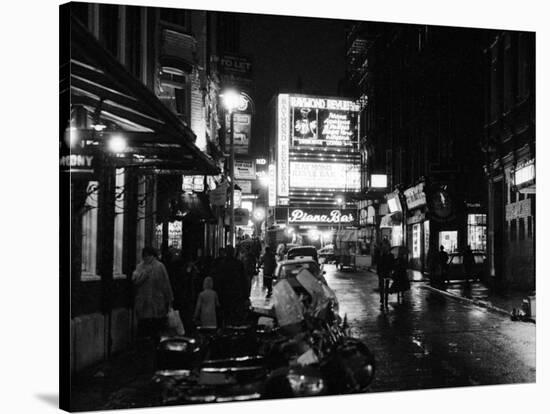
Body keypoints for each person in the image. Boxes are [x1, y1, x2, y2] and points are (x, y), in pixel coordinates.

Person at [132, 246, 174, 344]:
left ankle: (147, 347)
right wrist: (169, 299)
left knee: (145, 328)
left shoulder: (140, 267)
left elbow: (135, 281)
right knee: (155, 328)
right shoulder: (160, 267)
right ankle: (154, 347)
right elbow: (166, 284)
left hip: (145, 304)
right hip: (156, 304)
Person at [377, 240, 393, 309]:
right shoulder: (380, 254)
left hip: (387, 272)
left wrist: (390, 271)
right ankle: (382, 299)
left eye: (386, 246)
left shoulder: (390, 255)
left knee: (386, 286)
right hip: (381, 272)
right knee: (381, 286)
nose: (385, 247)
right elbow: (378, 263)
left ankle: (386, 299)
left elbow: (392, 265)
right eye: (384, 246)